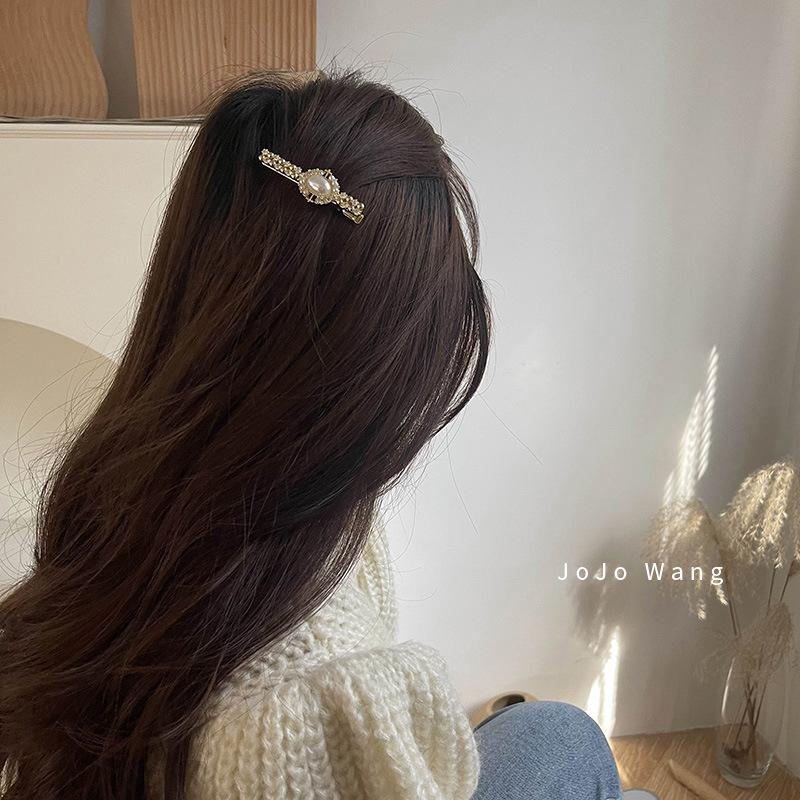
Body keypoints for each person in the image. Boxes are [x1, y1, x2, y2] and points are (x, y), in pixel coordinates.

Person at [0, 69, 621, 800]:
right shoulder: (298, 711)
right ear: (390, 362)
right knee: (572, 744)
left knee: (554, 732)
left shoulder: (123, 479)